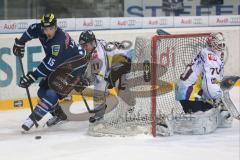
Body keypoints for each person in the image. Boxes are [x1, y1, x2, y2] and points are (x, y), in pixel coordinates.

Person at [13, 13, 87, 131]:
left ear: (56, 27)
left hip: (76, 67)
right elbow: (32, 29)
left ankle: (32, 119)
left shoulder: (58, 41)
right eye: (45, 29)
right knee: (42, 91)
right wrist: (21, 42)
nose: (48, 32)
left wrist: (33, 76)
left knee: (53, 91)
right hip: (61, 66)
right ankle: (59, 115)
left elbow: (49, 65)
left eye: (51, 28)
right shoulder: (40, 29)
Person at [172, 32, 233, 135]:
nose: (221, 46)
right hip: (190, 94)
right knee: (207, 117)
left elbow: (209, 81)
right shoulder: (210, 57)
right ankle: (170, 122)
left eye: (222, 44)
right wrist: (219, 98)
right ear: (211, 44)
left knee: (212, 111)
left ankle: (188, 115)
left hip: (187, 92)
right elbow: (209, 87)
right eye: (218, 44)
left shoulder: (207, 53)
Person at [78, 30, 132, 123]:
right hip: (119, 64)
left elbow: (100, 77)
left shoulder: (98, 55)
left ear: (92, 42)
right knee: (107, 85)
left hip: (125, 64)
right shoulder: (96, 43)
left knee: (101, 87)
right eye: (83, 46)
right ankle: (102, 111)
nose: (84, 48)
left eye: (86, 45)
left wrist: (86, 81)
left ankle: (130, 111)